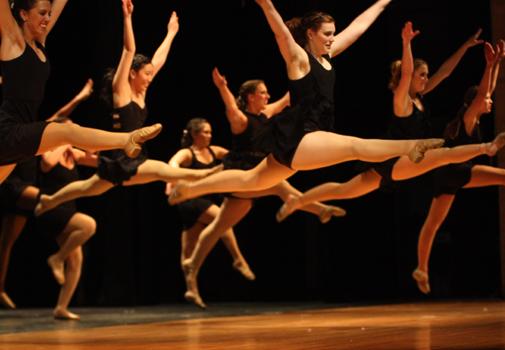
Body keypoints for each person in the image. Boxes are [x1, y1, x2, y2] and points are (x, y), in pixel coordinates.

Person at [168, 0, 445, 206]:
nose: (332, 38)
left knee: (250, 180)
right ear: (310, 33)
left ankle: (191, 188)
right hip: (304, 136)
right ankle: (412, 146)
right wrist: (266, 5)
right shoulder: (300, 60)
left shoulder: (328, 56)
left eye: (333, 33)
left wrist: (382, 3)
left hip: (301, 141)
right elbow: (280, 34)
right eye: (326, 34)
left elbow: (357, 28)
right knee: (354, 146)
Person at [275, 22, 505, 222]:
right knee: (443, 154)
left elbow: (444, 72)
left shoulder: (420, 98)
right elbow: (408, 73)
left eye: (425, 75)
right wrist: (406, 44)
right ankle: (487, 148)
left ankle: (298, 200)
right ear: (408, 79)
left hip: (389, 165)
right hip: (398, 159)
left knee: (344, 190)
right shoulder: (402, 100)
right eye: (422, 75)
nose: (425, 79)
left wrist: (465, 47)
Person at [176, 68, 347, 308]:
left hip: (254, 181)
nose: (267, 97)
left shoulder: (266, 113)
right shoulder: (241, 120)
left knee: (218, 227)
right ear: (250, 97)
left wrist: (314, 73)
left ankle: (192, 265)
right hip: (242, 177)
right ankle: (318, 209)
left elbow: (289, 97)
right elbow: (231, 108)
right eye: (263, 93)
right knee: (280, 186)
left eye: (267, 93)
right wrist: (222, 87)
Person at [33, 0, 219, 216]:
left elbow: (158, 61)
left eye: (151, 74)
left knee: (87, 188)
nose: (151, 77)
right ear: (133, 73)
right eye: (146, 74)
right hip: (123, 159)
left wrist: (171, 34)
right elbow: (129, 50)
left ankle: (50, 200)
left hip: (123, 158)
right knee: (163, 170)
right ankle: (209, 175)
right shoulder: (121, 90)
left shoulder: (142, 92)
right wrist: (127, 18)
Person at [412, 38, 505, 295]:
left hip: (446, 174)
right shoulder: (469, 115)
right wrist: (489, 66)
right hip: (455, 170)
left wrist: (496, 64)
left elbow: (489, 90)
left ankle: (421, 268)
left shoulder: (469, 117)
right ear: (475, 101)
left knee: (432, 224)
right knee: (504, 176)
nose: (490, 101)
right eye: (485, 100)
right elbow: (485, 91)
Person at [0, 0, 163, 184]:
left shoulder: (39, 42)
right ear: (24, 14)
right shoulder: (12, 39)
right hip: (7, 131)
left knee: (66, 132)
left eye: (49, 14)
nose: (47, 18)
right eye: (42, 13)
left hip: (19, 133)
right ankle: (127, 139)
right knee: (67, 131)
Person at [0, 78, 94, 310]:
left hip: (28, 187)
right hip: (14, 185)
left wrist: (80, 98)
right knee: (45, 200)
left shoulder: (37, 133)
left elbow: (61, 120)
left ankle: (2, 290)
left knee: (6, 242)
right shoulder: (12, 132)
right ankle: (51, 203)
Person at [168, 118, 256, 295]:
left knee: (189, 249)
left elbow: (235, 156)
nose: (209, 135)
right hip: (190, 201)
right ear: (194, 134)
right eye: (205, 132)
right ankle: (238, 259)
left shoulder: (213, 151)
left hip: (204, 202)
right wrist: (173, 179)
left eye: (210, 132)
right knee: (221, 219)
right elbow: (173, 163)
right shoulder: (187, 153)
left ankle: (191, 289)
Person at [35, 115, 98, 320]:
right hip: (49, 209)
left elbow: (97, 160)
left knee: (76, 260)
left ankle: (61, 307)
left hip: (67, 211)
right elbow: (47, 163)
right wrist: (64, 143)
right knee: (89, 225)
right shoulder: (50, 152)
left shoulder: (73, 155)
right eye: (70, 131)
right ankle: (57, 258)